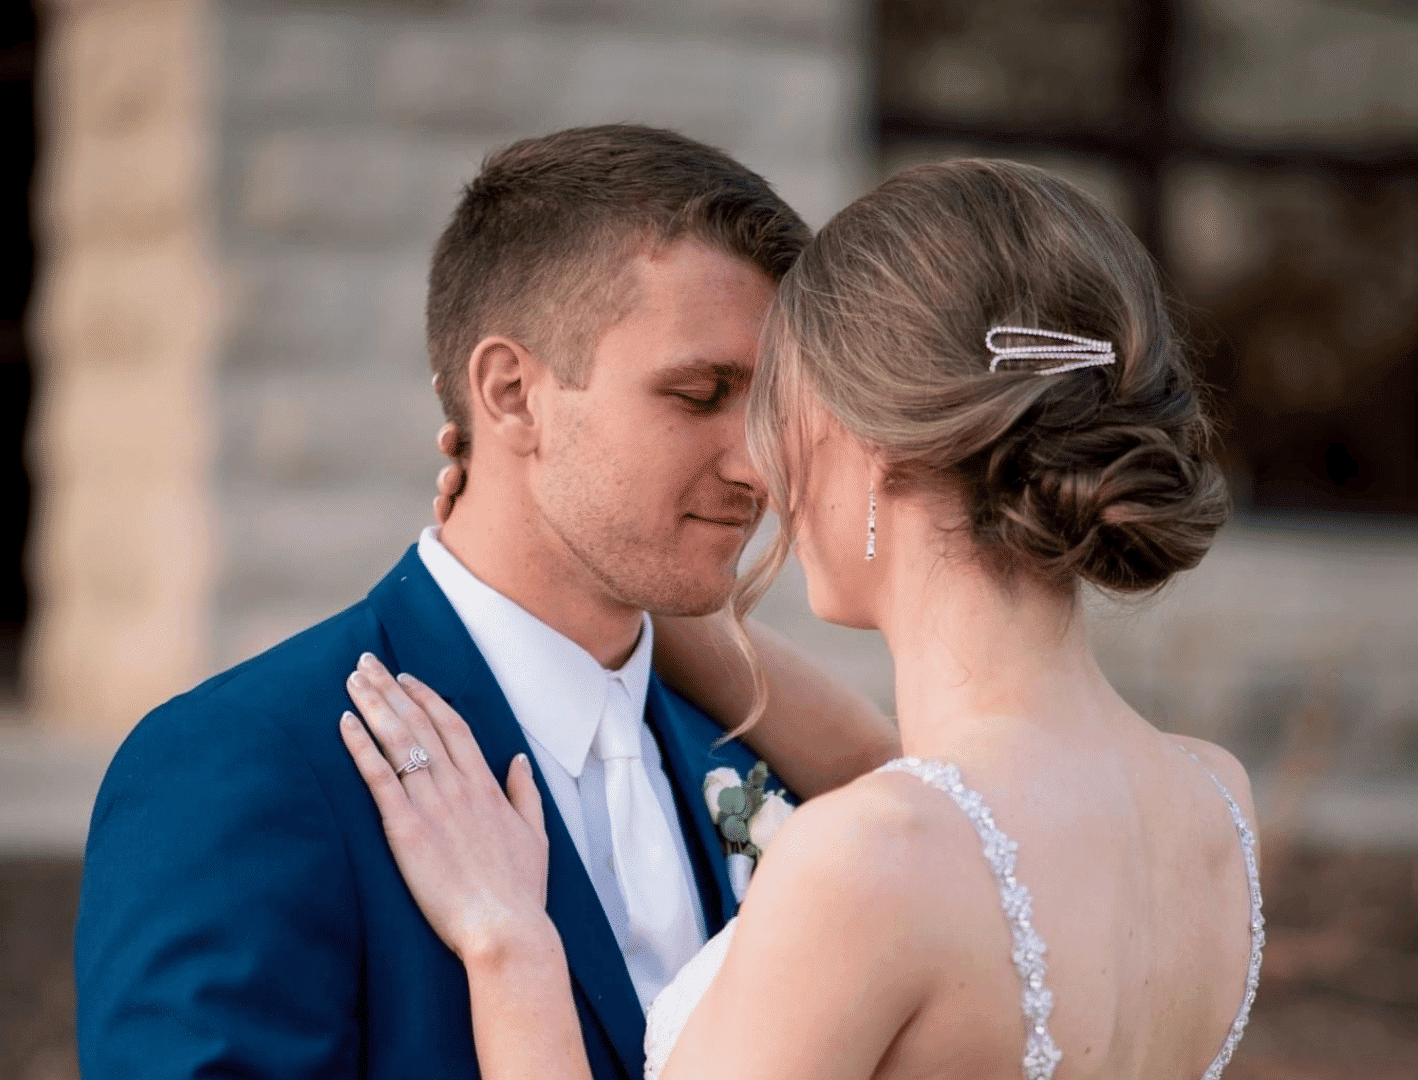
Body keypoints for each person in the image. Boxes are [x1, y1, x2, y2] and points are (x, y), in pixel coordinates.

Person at [340, 158, 1265, 1080]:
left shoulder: (870, 860)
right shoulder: (1213, 804)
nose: (763, 469)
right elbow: (893, 768)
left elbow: (906, 818)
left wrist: (510, 945)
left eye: (782, 406)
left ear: (878, 444)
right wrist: (551, 546)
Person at [74, 124, 897, 1080]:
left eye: (771, 409)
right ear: (511, 393)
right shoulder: (245, 766)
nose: (759, 467)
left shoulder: (760, 766)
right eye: (700, 393)